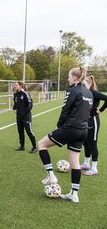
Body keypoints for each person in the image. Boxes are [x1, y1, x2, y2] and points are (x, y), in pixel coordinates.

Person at [38, 67, 92, 203]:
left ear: (74, 78)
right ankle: (74, 194)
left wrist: (60, 125)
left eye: (69, 76)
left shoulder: (72, 90)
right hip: (83, 131)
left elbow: (65, 109)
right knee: (75, 162)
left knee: (42, 144)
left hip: (71, 128)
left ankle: (51, 175)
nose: (68, 79)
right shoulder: (89, 93)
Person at [80, 76, 107, 176]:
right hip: (85, 121)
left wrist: (100, 110)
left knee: (92, 144)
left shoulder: (94, 93)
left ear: (90, 84)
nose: (83, 86)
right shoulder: (84, 93)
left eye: (85, 84)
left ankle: (94, 168)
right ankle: (86, 164)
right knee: (85, 143)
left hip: (93, 121)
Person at [13, 81, 37, 153]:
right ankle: (22, 146)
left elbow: (30, 104)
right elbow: (16, 104)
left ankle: (34, 147)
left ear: (21, 86)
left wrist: (24, 113)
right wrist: (14, 108)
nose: (15, 86)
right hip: (18, 117)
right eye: (15, 85)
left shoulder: (25, 93)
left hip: (26, 117)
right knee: (20, 132)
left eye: (16, 85)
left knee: (29, 131)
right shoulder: (15, 94)